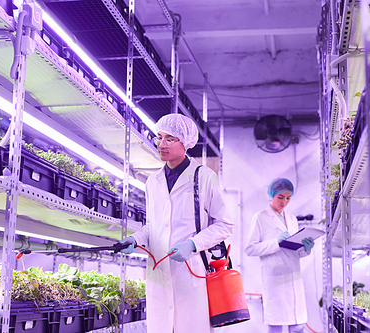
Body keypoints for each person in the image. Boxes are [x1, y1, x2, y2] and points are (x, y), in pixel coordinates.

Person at [119, 113, 234, 333]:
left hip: (191, 273)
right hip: (159, 273)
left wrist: (192, 244)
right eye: (159, 137)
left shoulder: (204, 177)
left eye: (169, 139)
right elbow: (153, 226)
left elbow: (224, 224)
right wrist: (136, 239)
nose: (161, 144)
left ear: (186, 142)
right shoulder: (153, 182)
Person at [245, 178, 314, 333]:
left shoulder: (292, 219)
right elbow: (250, 249)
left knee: (298, 326)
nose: (284, 202)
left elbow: (295, 251)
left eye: (288, 198)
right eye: (280, 197)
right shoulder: (261, 217)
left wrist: (306, 248)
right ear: (272, 195)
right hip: (275, 280)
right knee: (275, 327)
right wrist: (275, 242)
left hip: (293, 277)